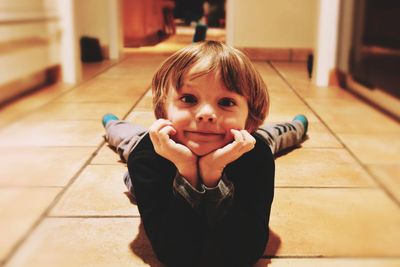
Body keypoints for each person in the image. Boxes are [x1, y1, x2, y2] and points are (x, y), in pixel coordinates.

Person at [102, 41, 308, 267]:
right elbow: (176, 254)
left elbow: (244, 252)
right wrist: (187, 171)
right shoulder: (146, 156)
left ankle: (297, 125)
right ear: (163, 110)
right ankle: (112, 122)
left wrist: (212, 175)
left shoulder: (255, 153)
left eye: (226, 102)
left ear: (250, 121)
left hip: (236, 142)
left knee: (273, 136)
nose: (206, 114)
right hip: (159, 147)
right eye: (189, 99)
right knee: (128, 137)